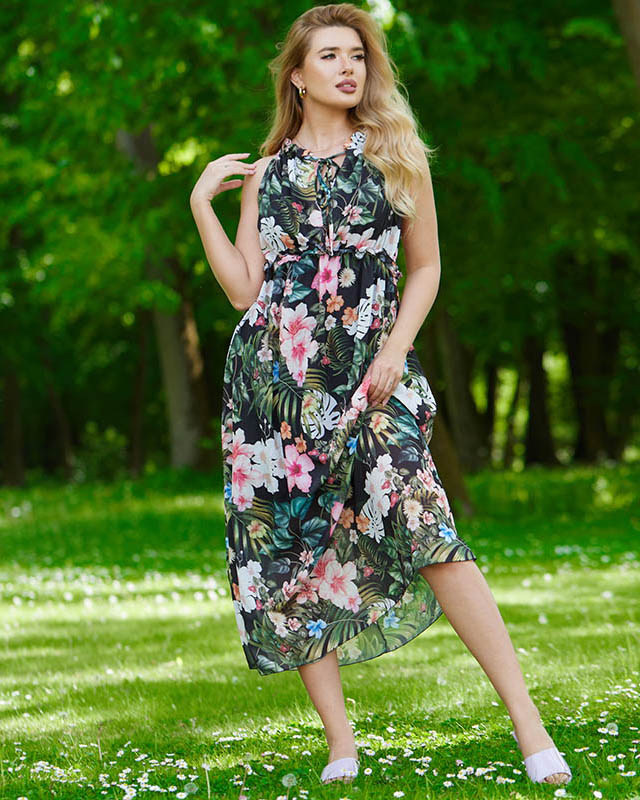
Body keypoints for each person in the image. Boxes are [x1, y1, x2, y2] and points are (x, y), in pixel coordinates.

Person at [189, 2, 573, 788]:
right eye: (330, 55)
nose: (348, 67)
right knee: (293, 556)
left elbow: (426, 267)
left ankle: (530, 728)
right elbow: (244, 291)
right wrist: (203, 204)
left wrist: (395, 350)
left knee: (429, 527)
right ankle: (341, 745)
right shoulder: (270, 174)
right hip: (276, 392)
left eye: (357, 55)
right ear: (298, 76)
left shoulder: (396, 152)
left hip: (373, 376)